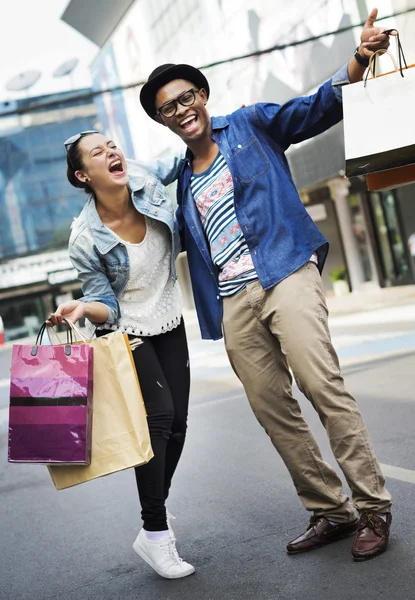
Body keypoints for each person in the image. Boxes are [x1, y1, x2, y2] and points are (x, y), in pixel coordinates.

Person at [139, 8, 393, 561]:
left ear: (203, 96)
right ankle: (331, 510)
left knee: (323, 389)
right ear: (163, 122)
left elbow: (313, 109)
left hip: (284, 272)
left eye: (186, 98)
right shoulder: (177, 182)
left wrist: (357, 59)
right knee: (272, 410)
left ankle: (372, 507)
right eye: (167, 109)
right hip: (233, 302)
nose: (181, 110)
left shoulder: (251, 125)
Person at [46, 130, 195, 580]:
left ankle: (154, 520)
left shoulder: (147, 179)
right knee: (161, 417)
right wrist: (80, 308)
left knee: (180, 426)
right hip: (125, 327)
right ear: (82, 174)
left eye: (111, 145)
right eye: (98, 152)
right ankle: (156, 533)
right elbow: (105, 303)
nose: (112, 152)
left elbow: (191, 154)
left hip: (169, 316)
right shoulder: (84, 238)